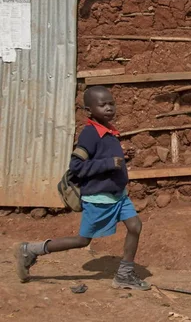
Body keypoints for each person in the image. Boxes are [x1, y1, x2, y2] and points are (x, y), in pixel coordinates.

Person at [14, 86, 149, 290]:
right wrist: (108, 164)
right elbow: (76, 167)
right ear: (89, 110)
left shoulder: (109, 132)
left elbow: (106, 158)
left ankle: (124, 274)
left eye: (111, 103)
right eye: (102, 105)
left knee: (135, 226)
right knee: (83, 240)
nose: (108, 108)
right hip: (99, 199)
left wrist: (122, 156)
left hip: (118, 196)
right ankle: (31, 250)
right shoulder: (90, 134)